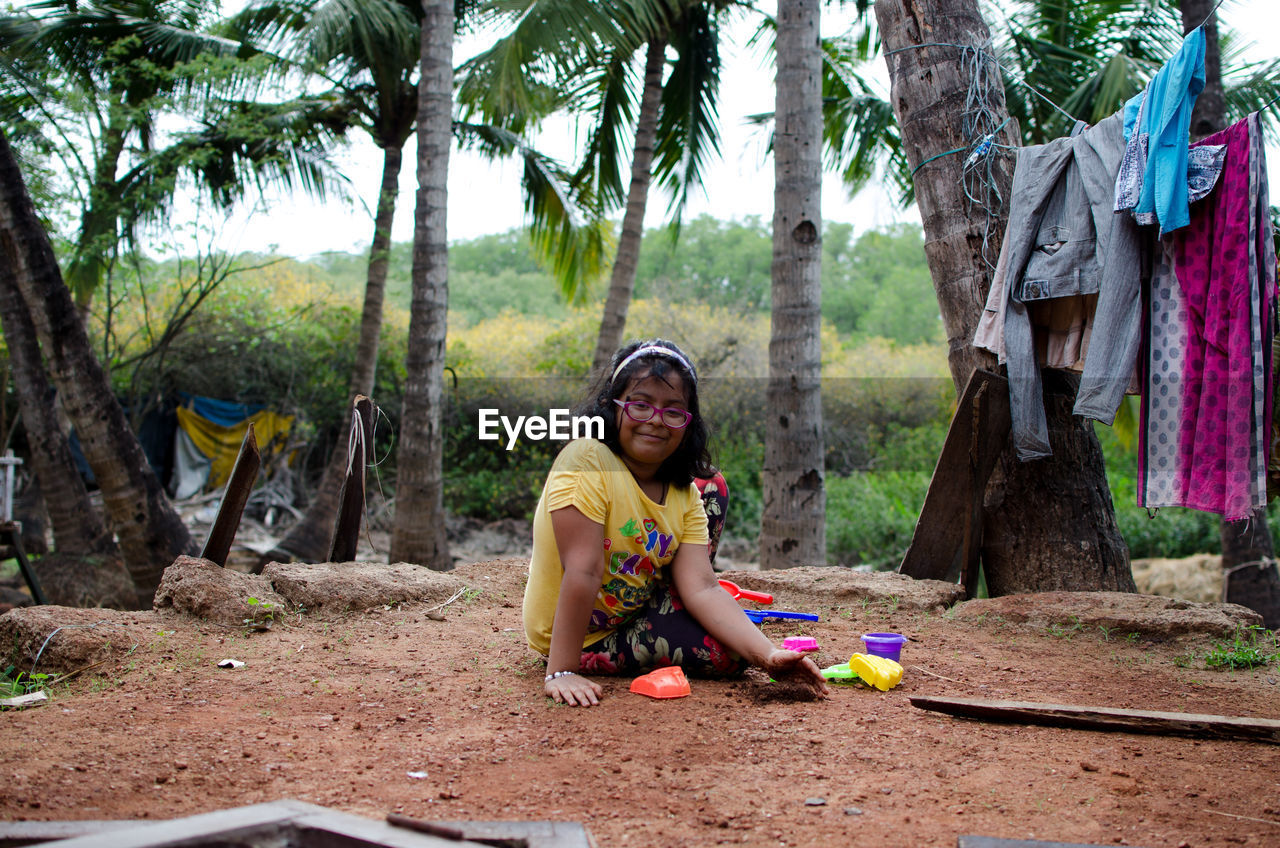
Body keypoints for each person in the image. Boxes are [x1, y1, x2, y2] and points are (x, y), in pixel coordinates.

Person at [522, 339, 829, 707]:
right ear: (611, 408)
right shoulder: (587, 460)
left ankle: (682, 612)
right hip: (580, 635)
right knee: (727, 655)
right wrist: (562, 670)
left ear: (688, 423)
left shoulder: (683, 494)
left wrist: (769, 655)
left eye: (673, 411)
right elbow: (583, 570)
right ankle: (581, 655)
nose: (655, 420)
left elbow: (702, 587)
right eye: (640, 405)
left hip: (635, 609)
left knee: (711, 485)